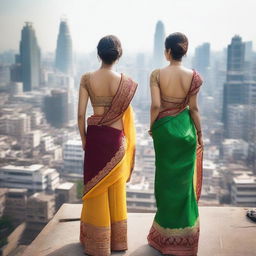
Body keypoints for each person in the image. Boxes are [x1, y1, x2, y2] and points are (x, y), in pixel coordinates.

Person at [78, 35, 137, 256]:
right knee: (115, 189)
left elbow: (81, 113)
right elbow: (125, 118)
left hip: (95, 140)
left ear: (98, 53)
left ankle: (97, 245)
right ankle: (117, 242)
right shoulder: (126, 82)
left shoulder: (86, 78)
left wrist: (85, 140)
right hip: (116, 141)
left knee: (96, 190)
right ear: (119, 55)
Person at [147, 32, 203, 255]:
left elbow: (155, 106)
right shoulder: (194, 77)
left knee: (164, 183)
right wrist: (200, 134)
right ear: (185, 51)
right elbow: (194, 108)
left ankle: (164, 238)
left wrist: (153, 127)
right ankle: (186, 240)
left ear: (167, 51)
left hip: (164, 133)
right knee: (183, 186)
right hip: (186, 132)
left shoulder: (157, 75)